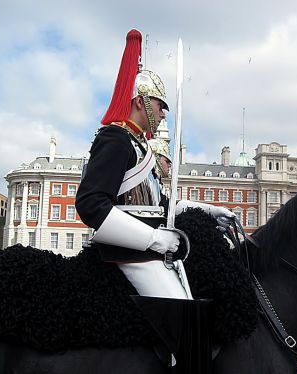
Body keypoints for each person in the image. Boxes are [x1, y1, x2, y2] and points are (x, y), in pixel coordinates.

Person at [75, 29, 233, 373]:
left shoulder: (138, 147)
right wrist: (154, 238)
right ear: (141, 101)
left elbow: (164, 206)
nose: (163, 114)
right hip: (131, 253)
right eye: (161, 105)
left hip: (152, 250)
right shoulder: (115, 140)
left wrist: (210, 211)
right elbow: (90, 204)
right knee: (184, 319)